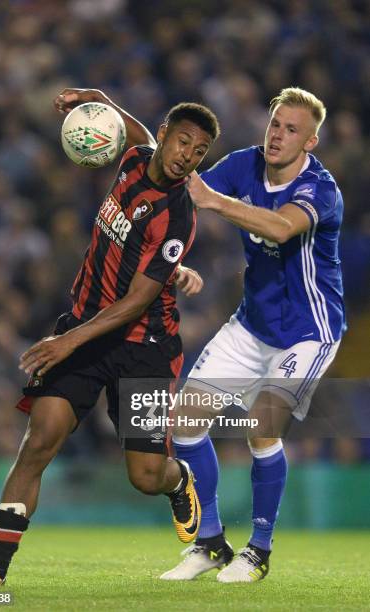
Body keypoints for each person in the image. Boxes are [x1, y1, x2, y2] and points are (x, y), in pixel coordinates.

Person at [0, 90, 220, 587]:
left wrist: (67, 342)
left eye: (199, 151)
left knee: (144, 476)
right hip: (85, 327)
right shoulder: (136, 157)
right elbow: (136, 133)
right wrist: (99, 99)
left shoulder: (179, 215)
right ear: (164, 136)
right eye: (182, 141)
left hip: (145, 348)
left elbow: (137, 302)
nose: (188, 155)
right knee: (39, 442)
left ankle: (179, 479)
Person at [160, 87, 345, 582]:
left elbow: (282, 228)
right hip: (251, 325)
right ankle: (212, 542)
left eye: (291, 129)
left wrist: (216, 202)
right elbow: (185, 195)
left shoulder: (320, 190)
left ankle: (258, 551)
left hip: (308, 332)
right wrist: (176, 259)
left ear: (310, 141)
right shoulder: (245, 164)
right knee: (183, 421)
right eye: (274, 124)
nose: (278, 135)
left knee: (262, 428)